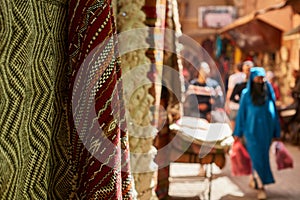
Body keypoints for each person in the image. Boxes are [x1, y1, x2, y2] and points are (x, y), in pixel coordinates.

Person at [233, 67, 281, 199]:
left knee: (263, 157)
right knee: (256, 156)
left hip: (266, 132)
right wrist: (237, 132)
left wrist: (277, 132)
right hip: (251, 132)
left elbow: (274, 113)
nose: (261, 81)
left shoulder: (268, 91)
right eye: (258, 78)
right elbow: (241, 115)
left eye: (262, 78)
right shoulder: (246, 94)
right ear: (252, 79)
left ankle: (255, 177)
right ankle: (261, 186)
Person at [226, 60, 254, 129]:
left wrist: (227, 103)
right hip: (240, 107)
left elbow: (230, 91)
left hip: (238, 107)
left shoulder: (233, 78)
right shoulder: (242, 83)